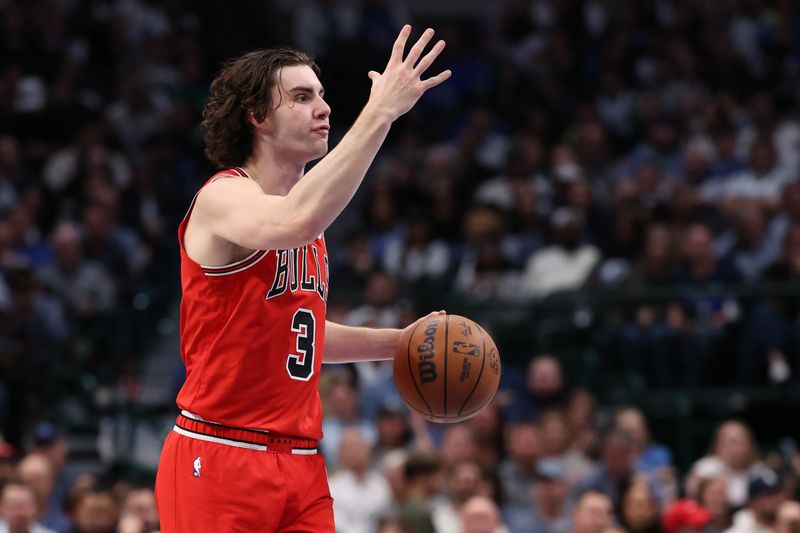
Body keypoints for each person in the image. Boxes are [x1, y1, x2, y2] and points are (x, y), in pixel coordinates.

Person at [153, 25, 452, 533]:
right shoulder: (224, 197)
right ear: (258, 117)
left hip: (301, 460)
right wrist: (380, 111)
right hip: (222, 451)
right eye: (301, 96)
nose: (324, 107)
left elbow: (299, 333)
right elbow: (295, 219)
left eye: (322, 94)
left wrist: (400, 343)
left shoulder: (308, 226)